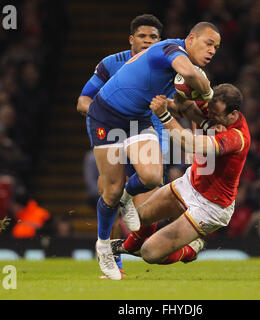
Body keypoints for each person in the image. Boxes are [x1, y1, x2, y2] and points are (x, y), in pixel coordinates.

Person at [86, 21, 221, 279]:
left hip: (138, 120)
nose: (213, 50)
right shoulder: (170, 49)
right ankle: (104, 246)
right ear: (191, 38)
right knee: (110, 191)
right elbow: (192, 77)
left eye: (216, 47)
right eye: (209, 43)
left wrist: (203, 123)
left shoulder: (179, 74)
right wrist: (206, 88)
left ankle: (127, 196)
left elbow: (184, 106)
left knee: (151, 178)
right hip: (105, 116)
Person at [114, 83, 251, 267]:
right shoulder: (211, 106)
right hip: (190, 183)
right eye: (209, 110)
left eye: (216, 115)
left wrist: (163, 114)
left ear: (232, 115)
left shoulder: (237, 138)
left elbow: (190, 144)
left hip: (211, 206)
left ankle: (191, 249)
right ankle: (127, 248)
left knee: (150, 253)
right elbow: (181, 107)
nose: (209, 115)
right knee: (142, 217)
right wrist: (164, 101)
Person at [77, 14, 163, 278]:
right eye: (142, 36)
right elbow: (83, 101)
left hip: (145, 135)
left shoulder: (165, 65)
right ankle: (114, 264)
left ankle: (137, 250)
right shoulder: (111, 64)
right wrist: (107, 116)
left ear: (160, 41)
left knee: (146, 211)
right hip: (112, 134)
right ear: (131, 39)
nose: (148, 41)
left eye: (153, 38)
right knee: (111, 198)